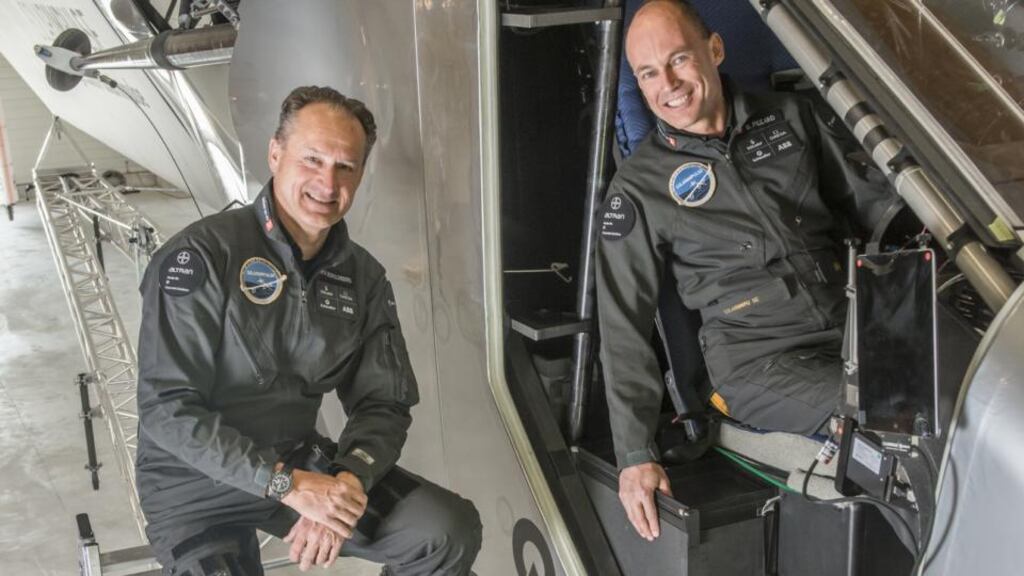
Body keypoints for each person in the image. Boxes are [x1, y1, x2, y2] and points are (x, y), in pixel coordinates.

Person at [135, 86, 481, 575]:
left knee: (445, 530)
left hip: (298, 461)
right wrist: (286, 485)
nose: (327, 181)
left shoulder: (362, 278)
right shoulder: (202, 257)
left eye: (346, 167)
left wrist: (348, 480)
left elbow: (384, 402)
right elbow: (165, 408)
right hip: (193, 485)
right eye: (313, 159)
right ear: (275, 154)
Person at [595, 0, 899, 542]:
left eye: (679, 59)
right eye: (647, 73)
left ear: (715, 49)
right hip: (758, 361)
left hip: (854, 322)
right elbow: (622, 326)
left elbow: (879, 209)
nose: (667, 84)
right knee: (899, 419)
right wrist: (635, 455)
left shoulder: (791, 117)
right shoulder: (638, 189)